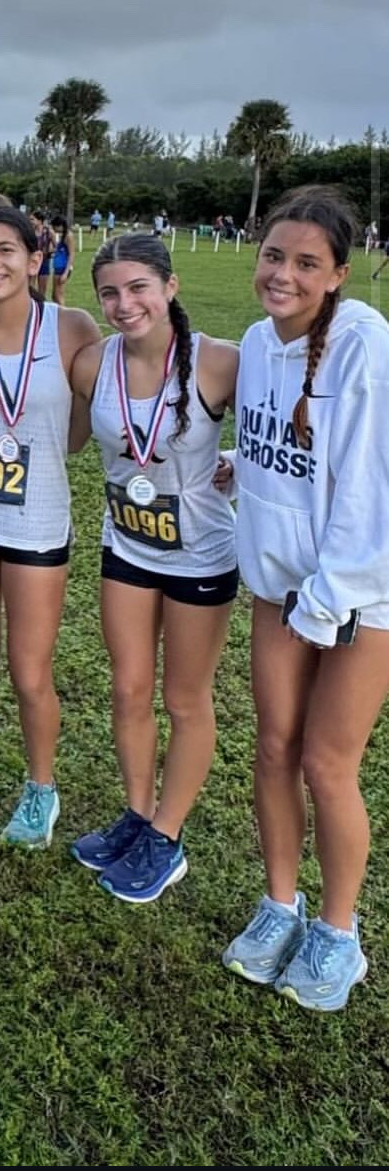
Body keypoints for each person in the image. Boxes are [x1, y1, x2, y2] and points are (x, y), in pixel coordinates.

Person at [221, 186, 389, 1011]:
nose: (283, 274)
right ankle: (279, 905)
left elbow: (369, 487)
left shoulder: (364, 345)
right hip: (279, 587)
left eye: (306, 263)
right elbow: (281, 453)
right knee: (273, 748)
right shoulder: (257, 342)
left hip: (362, 595)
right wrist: (238, 464)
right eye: (275, 256)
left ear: (338, 274)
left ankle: (338, 933)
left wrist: (332, 596)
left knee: (328, 764)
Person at [67, 232, 239, 901]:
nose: (123, 303)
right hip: (127, 547)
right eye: (109, 291)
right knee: (129, 688)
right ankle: (139, 815)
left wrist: (241, 466)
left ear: (170, 287)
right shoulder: (91, 363)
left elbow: (280, 426)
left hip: (200, 555)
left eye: (138, 287)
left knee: (185, 699)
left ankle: (167, 838)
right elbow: (74, 433)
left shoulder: (219, 363)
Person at [0, 205, 99, 842]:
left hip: (36, 522)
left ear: (35, 261)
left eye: (6, 251)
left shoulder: (71, 327)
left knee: (32, 670)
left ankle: (40, 788)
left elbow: (86, 429)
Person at [49, 214, 73, 306]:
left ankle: (64, 316)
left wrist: (65, 273)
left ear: (60, 225)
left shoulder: (68, 236)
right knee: (54, 296)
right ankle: (58, 315)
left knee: (58, 296)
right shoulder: (63, 236)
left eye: (55, 227)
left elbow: (71, 254)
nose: (54, 230)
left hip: (63, 269)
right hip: (58, 268)